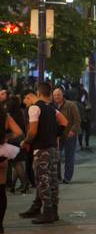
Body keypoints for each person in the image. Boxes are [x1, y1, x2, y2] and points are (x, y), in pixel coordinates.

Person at [18, 84, 68, 224]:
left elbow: (33, 131)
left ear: (34, 94)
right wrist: (55, 134)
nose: (25, 103)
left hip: (41, 149)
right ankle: (53, 211)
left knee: (42, 181)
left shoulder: (35, 108)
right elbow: (64, 122)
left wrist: (26, 141)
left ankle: (47, 212)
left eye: (25, 100)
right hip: (53, 148)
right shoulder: (52, 108)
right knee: (52, 180)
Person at [0, 107, 24, 234]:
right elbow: (19, 132)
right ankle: (0, 225)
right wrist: (6, 136)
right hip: (2, 153)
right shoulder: (5, 117)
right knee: (1, 190)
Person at [53, 87, 81, 184]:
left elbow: (77, 120)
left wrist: (73, 131)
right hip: (57, 136)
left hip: (69, 135)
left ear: (62, 95)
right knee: (57, 157)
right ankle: (58, 177)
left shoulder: (70, 105)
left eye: (58, 95)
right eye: (55, 95)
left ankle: (67, 178)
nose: (57, 97)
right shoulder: (52, 106)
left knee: (69, 157)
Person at [6, 95, 29, 194]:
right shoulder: (20, 113)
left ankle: (25, 183)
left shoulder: (11, 116)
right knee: (17, 164)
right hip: (20, 141)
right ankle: (13, 185)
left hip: (13, 141)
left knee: (16, 164)